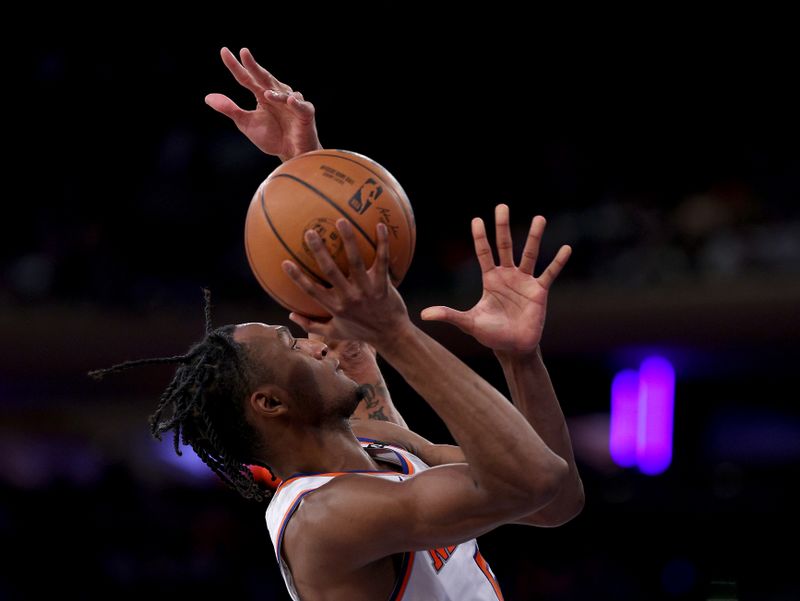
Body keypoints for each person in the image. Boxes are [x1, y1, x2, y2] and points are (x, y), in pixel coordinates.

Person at [91, 48, 584, 601]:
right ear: (271, 403)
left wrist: (302, 165)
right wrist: (395, 334)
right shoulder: (323, 520)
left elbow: (556, 499)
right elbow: (532, 480)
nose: (313, 342)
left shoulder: (379, 444)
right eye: (290, 343)